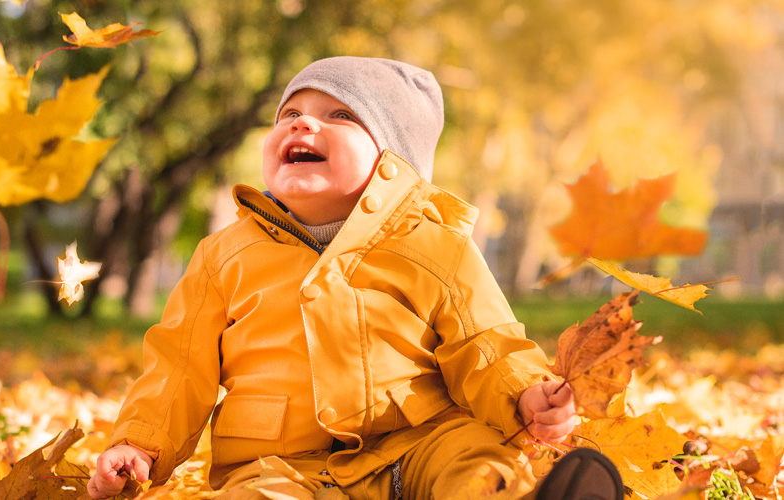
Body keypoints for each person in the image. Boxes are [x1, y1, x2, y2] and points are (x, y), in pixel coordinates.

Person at [87, 56, 624, 500]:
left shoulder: (434, 247)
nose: (302, 123)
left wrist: (525, 393)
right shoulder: (223, 256)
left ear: (394, 160)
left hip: (422, 440)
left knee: (477, 464)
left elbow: (484, 342)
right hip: (281, 464)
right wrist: (140, 443)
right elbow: (179, 368)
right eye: (290, 113)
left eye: (340, 114)